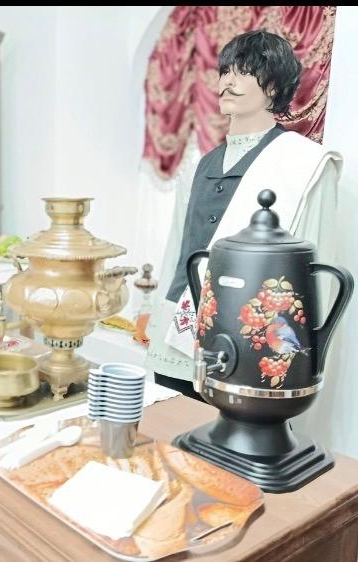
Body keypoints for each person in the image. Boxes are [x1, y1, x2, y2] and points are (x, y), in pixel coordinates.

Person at [145, 30, 341, 398]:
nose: (229, 82)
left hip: (252, 341)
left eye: (245, 72)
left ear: (273, 87)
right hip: (179, 331)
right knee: (170, 423)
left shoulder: (305, 164)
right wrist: (158, 318)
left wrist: (306, 355)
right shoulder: (200, 166)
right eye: (225, 71)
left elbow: (318, 269)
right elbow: (177, 250)